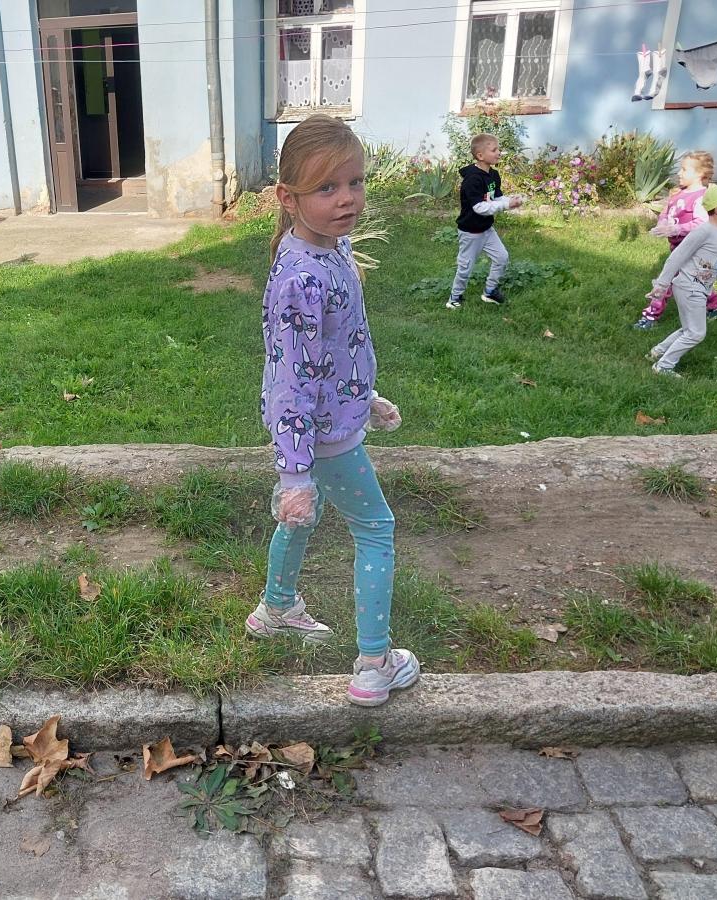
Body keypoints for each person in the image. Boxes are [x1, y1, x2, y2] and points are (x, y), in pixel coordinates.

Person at [251, 114, 418, 708]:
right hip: (318, 438)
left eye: (354, 182)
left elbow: (333, 349)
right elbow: (292, 381)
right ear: (287, 198)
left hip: (329, 422)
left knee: (303, 520)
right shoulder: (303, 277)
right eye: (326, 188)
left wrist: (363, 398)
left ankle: (276, 608)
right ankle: (375, 663)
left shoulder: (332, 250)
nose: (346, 198)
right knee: (375, 527)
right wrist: (294, 474)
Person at [647, 183, 717, 377]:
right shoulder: (703, 232)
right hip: (688, 287)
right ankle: (664, 366)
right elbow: (676, 257)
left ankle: (658, 351)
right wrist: (661, 284)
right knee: (696, 333)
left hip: (700, 288)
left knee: (690, 329)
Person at [633, 151, 717, 329]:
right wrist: (662, 224)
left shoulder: (701, 197)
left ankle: (650, 316)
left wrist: (677, 229)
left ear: (699, 174)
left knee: (666, 280)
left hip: (693, 249)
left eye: (684, 169)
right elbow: (665, 212)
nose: (679, 173)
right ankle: (716, 305)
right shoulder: (678, 193)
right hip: (677, 247)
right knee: (693, 279)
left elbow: (702, 223)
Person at [447, 133, 523, 309]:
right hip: (470, 232)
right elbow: (479, 208)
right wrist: (506, 205)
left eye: (498, 149)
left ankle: (489, 291)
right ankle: (454, 298)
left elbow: (496, 198)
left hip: (487, 229)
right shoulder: (472, 179)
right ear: (480, 155)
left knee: (502, 257)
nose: (499, 153)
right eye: (494, 150)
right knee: (465, 267)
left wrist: (510, 201)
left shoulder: (493, 175)